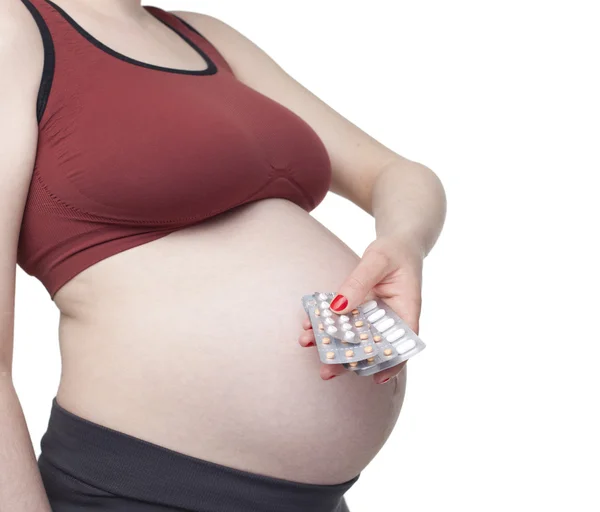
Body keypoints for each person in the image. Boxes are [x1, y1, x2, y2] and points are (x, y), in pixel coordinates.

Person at [0, 0, 447, 510]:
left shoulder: (205, 37)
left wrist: (403, 242)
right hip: (143, 491)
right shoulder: (13, 29)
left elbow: (398, 173)